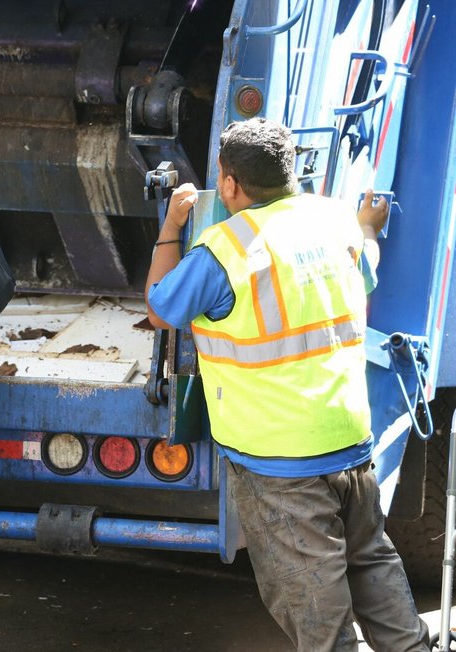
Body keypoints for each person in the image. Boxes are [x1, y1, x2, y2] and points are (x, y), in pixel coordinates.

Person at [145, 118, 429, 652]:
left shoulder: (225, 249)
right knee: (370, 561)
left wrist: (171, 221)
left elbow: (161, 307)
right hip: (347, 439)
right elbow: (365, 262)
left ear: (228, 184)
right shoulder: (334, 220)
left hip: (280, 462)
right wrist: (369, 225)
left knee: (312, 602)